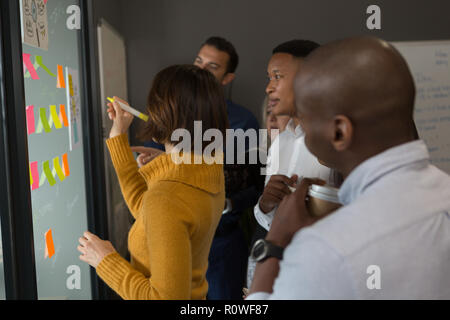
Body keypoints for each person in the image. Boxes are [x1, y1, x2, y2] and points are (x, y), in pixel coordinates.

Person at [247, 36, 450, 299]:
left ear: (340, 131)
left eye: (309, 115)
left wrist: (275, 243)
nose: (302, 128)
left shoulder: (325, 249)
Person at [77, 64, 228, 300]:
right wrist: (118, 137)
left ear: (162, 116)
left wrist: (105, 261)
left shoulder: (168, 196)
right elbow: (147, 211)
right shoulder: (210, 172)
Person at [135, 36, 262, 300]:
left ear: (227, 78)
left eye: (212, 66)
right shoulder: (170, 114)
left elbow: (257, 186)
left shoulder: (244, 122)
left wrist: (229, 203)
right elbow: (154, 171)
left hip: (222, 239)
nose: (201, 70)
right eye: (198, 61)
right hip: (172, 231)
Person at [254, 40, 342, 234]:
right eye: (269, 77)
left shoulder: (340, 139)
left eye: (277, 77)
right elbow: (268, 221)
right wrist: (265, 205)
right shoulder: (280, 141)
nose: (268, 88)